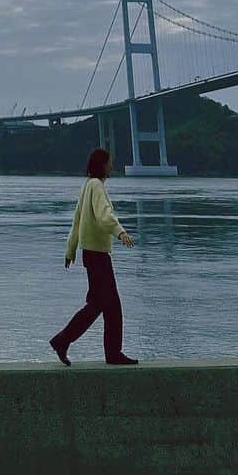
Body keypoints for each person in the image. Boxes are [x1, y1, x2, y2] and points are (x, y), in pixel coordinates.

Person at [49, 148, 138, 366]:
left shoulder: (87, 186)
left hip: (90, 254)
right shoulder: (96, 186)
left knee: (99, 305)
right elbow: (104, 215)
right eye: (110, 163)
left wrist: (70, 250)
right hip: (98, 256)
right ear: (102, 165)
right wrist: (121, 232)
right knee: (111, 307)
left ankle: (66, 341)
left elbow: (77, 221)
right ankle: (104, 352)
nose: (112, 166)